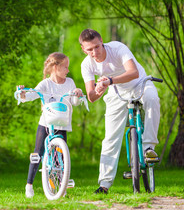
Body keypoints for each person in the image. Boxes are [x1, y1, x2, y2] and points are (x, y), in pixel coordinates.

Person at [79, 29, 160, 194]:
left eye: (96, 46)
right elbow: (92, 97)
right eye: (89, 49)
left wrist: (109, 81)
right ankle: (104, 184)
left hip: (140, 84)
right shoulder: (86, 64)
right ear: (83, 50)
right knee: (110, 138)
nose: (94, 52)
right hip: (116, 93)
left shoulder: (117, 48)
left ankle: (148, 148)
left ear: (102, 41)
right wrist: (99, 87)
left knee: (152, 99)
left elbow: (133, 72)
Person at [17, 52, 83, 198]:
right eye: (65, 67)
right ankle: (29, 185)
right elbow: (30, 95)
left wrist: (77, 93)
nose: (68, 70)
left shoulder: (70, 83)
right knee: (38, 153)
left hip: (63, 124)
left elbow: (74, 102)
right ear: (55, 67)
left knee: (61, 157)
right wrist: (22, 93)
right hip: (46, 123)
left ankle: (61, 186)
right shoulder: (46, 84)